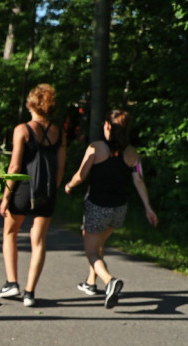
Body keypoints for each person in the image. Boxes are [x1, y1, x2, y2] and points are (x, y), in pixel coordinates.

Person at [64, 109, 158, 309]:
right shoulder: (132, 153)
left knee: (90, 250)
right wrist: (148, 208)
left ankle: (109, 281)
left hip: (98, 206)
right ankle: (91, 283)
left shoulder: (95, 148)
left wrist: (69, 186)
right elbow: (138, 181)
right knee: (98, 244)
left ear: (107, 126)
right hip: (119, 209)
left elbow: (81, 175)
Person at [0, 83, 66, 307]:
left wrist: (6, 196)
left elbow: (15, 166)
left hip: (23, 191)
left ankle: (11, 282)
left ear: (31, 104)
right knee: (39, 241)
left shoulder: (22, 130)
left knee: (10, 233)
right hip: (46, 192)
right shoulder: (59, 132)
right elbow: (60, 168)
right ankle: (29, 292)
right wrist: (52, 191)